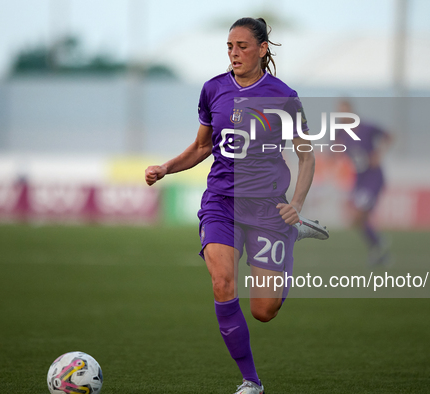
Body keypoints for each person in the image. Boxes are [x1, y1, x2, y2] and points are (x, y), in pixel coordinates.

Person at [145, 17, 327, 394]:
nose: (234, 53)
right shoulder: (213, 89)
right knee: (223, 281)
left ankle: (290, 235)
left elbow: (307, 157)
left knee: (264, 311)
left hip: (266, 208)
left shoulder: (284, 96)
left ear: (262, 49)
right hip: (221, 202)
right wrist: (166, 168)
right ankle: (251, 381)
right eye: (229, 46)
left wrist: (295, 204)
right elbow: (201, 147)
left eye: (242, 46)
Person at [335, 99, 393, 267]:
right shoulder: (341, 134)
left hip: (373, 178)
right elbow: (335, 152)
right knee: (356, 221)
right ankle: (379, 247)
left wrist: (378, 154)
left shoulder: (366, 128)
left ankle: (379, 243)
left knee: (359, 216)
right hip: (359, 180)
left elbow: (389, 135)